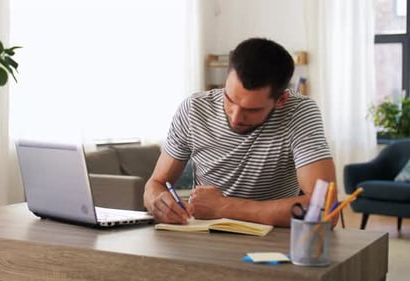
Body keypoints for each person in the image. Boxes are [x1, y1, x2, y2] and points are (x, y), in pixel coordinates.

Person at [143, 38, 337, 227]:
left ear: (281, 100)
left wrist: (225, 207)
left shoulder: (299, 112)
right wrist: (158, 201)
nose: (235, 117)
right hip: (203, 236)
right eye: (229, 99)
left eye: (251, 110)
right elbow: (156, 183)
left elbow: (326, 208)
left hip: (273, 241)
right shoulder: (193, 109)